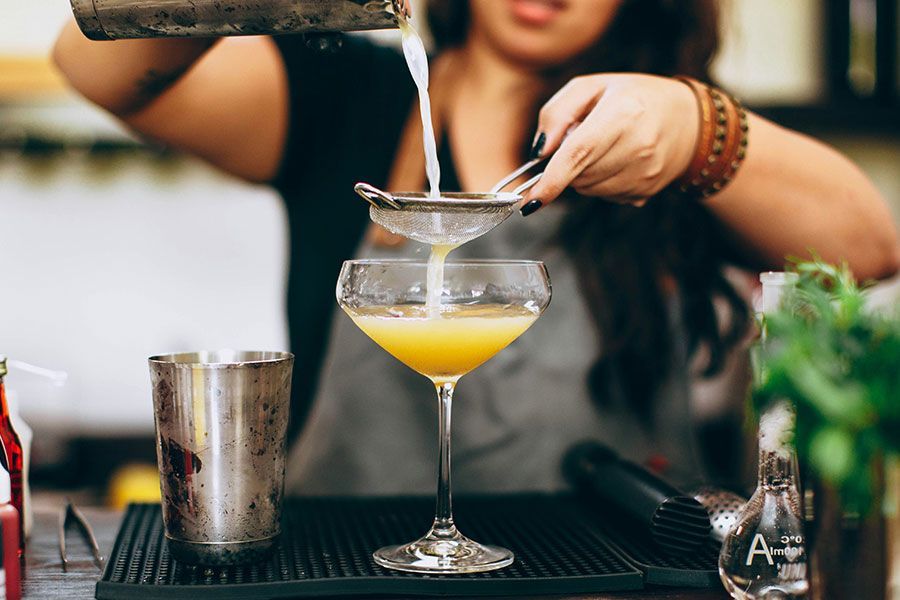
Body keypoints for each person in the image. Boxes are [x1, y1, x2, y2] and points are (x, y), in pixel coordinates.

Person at [54, 0, 899, 493]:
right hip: (354, 571)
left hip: (613, 577)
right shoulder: (344, 95)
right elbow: (94, 66)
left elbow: (868, 246)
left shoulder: (649, 136)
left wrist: (698, 127)